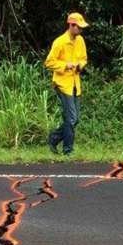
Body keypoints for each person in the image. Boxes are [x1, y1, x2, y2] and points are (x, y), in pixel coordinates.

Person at [45, 12, 89, 156]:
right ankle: (68, 150)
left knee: (75, 119)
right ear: (71, 25)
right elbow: (49, 62)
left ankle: (54, 138)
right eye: (79, 27)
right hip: (63, 84)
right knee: (70, 118)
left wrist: (79, 65)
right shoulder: (60, 42)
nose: (81, 30)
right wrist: (66, 65)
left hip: (75, 83)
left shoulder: (80, 40)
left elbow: (84, 59)